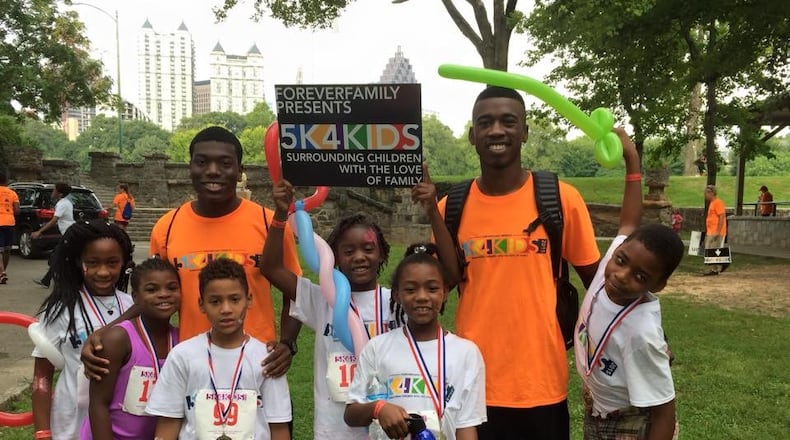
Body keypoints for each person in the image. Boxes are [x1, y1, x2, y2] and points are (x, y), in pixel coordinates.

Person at [432, 86, 600, 439]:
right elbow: (434, 290)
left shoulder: (561, 199)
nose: (496, 130)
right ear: (472, 135)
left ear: (524, 132)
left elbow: (599, 285)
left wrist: (645, 328)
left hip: (541, 385)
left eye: (508, 121)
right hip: (472, 383)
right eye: (485, 122)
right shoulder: (451, 208)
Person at [82, 126, 302, 382]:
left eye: (225, 163)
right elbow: (152, 297)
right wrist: (106, 331)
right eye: (202, 162)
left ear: (240, 171)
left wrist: (288, 343)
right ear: (190, 168)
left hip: (259, 366)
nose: (212, 170)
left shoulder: (269, 224)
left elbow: (295, 294)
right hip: (193, 369)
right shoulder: (167, 227)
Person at [262, 179, 406, 439]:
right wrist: (281, 216)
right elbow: (271, 268)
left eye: (368, 249)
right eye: (348, 251)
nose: (359, 257)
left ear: (382, 254)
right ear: (334, 257)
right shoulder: (322, 300)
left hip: (387, 423)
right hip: (334, 429)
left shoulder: (397, 304)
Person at [574, 130, 681, 440]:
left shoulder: (640, 334)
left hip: (632, 422)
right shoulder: (612, 262)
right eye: (621, 261)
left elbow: (664, 409)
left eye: (640, 277)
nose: (622, 275)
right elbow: (629, 223)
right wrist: (632, 160)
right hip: (599, 408)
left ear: (657, 285)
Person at [344, 243, 486, 440]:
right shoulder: (377, 347)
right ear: (397, 295)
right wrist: (378, 408)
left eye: (432, 288)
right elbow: (351, 414)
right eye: (410, 289)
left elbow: (466, 425)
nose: (421, 297)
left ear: (444, 293)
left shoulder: (466, 353)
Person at [145, 258, 292, 440]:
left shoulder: (267, 359)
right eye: (215, 301)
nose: (226, 309)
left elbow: (278, 427)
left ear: (249, 300)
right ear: (201, 304)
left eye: (234, 299)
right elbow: (168, 423)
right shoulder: (182, 356)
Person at [31, 220, 135, 440]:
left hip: (121, 424)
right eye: (93, 263)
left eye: (112, 262)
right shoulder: (61, 310)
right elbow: (42, 376)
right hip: (71, 425)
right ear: (79, 262)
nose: (103, 272)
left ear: (124, 262)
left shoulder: (132, 307)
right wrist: (42, 433)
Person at [79, 258, 181, 440]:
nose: (163, 294)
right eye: (152, 289)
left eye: (172, 288)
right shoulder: (118, 339)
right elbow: (98, 404)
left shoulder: (181, 341)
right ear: (135, 297)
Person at [33, 182, 75, 288]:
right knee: (57, 257)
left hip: (68, 234)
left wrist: (39, 231)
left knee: (58, 257)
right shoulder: (65, 202)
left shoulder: (62, 204)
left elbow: (54, 220)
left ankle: (56, 280)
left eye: (54, 190)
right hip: (67, 233)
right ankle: (47, 280)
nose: (53, 192)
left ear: (60, 194)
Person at [0, 171, 20, 284]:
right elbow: (17, 211)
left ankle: (2, 273)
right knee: (7, 249)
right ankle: (3, 272)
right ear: (6, 181)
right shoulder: (12, 193)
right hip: (9, 222)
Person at [703, 185, 727, 276]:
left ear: (711, 193)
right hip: (711, 231)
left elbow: (722, 217)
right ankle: (714, 268)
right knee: (709, 249)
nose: (705, 195)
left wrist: (718, 231)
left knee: (715, 249)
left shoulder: (718, 202)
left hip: (717, 231)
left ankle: (719, 267)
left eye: (706, 193)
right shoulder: (712, 203)